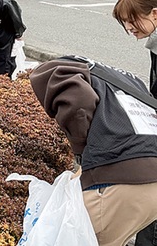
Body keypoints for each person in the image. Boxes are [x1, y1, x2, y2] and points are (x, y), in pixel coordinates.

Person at [29, 55, 157, 246]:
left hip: (120, 183)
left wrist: (80, 150)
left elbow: (78, 104)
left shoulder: (55, 71)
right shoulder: (127, 79)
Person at [113, 0, 157, 246]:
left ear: (155, 13)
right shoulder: (155, 42)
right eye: (125, 23)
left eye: (132, 21)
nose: (129, 29)